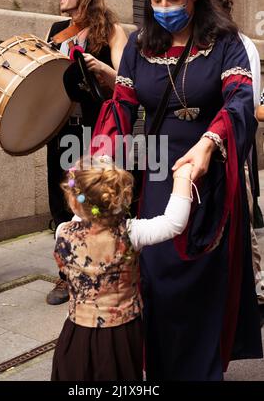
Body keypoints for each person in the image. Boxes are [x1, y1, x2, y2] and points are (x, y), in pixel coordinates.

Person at [90, 0, 263, 380]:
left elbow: (241, 100)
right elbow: (122, 105)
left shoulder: (224, 44)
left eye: (174, 0)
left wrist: (209, 143)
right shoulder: (137, 46)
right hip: (156, 176)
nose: (165, 9)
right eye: (157, 1)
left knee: (202, 284)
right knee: (157, 282)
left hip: (208, 173)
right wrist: (102, 157)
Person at [51, 155, 193, 381]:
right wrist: (183, 176)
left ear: (75, 201)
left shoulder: (63, 232)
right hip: (121, 333)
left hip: (77, 331)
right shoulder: (131, 233)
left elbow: (84, 211)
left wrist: (80, 187)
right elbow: (173, 223)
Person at [45, 0, 127, 306]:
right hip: (59, 129)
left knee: (96, 199)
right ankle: (66, 272)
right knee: (61, 200)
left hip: (97, 131)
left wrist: (103, 70)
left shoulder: (111, 30)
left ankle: (102, 269)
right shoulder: (55, 31)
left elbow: (127, 81)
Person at [203, 0, 264, 327]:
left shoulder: (241, 45)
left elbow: (249, 104)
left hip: (230, 151)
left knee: (239, 218)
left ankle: (253, 287)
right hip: (195, 152)